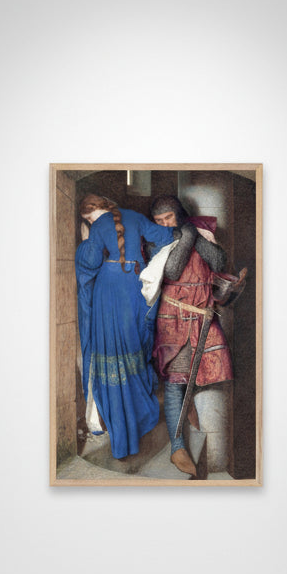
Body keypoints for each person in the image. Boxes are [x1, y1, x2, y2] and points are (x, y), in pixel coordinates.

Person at [74, 194, 176, 459]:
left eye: (89, 217)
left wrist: (86, 238)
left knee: (111, 351)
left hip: (107, 290)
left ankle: (117, 422)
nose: (91, 220)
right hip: (132, 286)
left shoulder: (97, 226)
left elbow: (90, 261)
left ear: (97, 211)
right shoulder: (135, 217)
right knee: (133, 347)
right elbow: (167, 238)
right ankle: (137, 411)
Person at [148, 196, 234, 477]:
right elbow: (172, 269)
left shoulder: (198, 231)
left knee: (206, 377)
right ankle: (177, 447)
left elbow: (219, 261)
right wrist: (184, 236)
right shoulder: (156, 240)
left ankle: (192, 425)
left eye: (169, 218)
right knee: (175, 383)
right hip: (174, 319)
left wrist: (193, 234)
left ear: (180, 214)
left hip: (203, 316)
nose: (164, 224)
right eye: (159, 221)